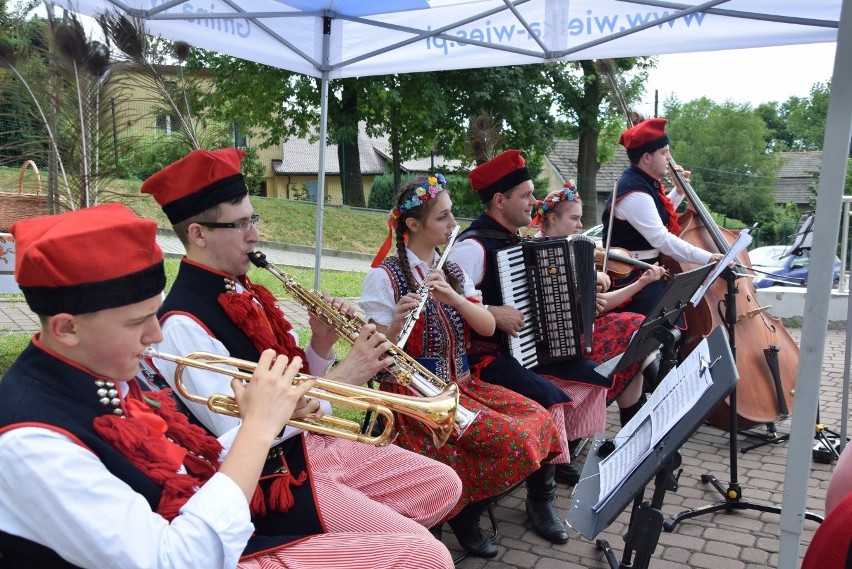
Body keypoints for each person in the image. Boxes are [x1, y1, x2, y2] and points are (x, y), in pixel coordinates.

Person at [0, 203, 456, 569]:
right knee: (420, 556)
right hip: (221, 531)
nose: (156, 335)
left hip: (227, 510)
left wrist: (283, 404)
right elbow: (176, 557)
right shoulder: (31, 443)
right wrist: (263, 425)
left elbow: (195, 457)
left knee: (429, 518)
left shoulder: (95, 372)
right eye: (138, 323)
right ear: (65, 328)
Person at [139, 148, 463, 562]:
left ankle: (367, 542)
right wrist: (344, 378)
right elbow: (237, 435)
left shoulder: (244, 290)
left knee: (443, 483)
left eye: (252, 219)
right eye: (240, 224)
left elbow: (292, 383)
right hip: (277, 478)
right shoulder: (181, 324)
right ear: (198, 234)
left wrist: (321, 345)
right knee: (426, 554)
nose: (254, 234)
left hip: (313, 446)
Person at [361, 174, 563, 557]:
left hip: (463, 385)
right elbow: (374, 358)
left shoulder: (451, 270)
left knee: (535, 422)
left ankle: (467, 511)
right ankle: (445, 523)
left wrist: (456, 298)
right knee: (491, 443)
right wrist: (394, 325)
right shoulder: (383, 277)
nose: (454, 224)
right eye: (443, 217)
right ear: (413, 225)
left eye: (452, 214)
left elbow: (488, 325)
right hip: (412, 398)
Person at [447, 148, 611, 543]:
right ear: (500, 201)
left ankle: (560, 457)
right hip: (484, 357)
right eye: (526, 195)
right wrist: (490, 310)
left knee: (597, 376)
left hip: (526, 349)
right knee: (547, 400)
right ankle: (541, 498)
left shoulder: (516, 241)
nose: (535, 203)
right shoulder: (473, 247)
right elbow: (442, 304)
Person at [531, 181, 667, 426]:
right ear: (551, 218)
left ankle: (633, 434)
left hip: (581, 334)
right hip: (558, 346)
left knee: (634, 343)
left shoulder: (573, 248)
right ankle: (664, 394)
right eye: (574, 218)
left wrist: (641, 283)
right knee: (634, 327)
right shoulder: (535, 253)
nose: (581, 225)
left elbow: (600, 305)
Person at [602, 117, 724, 316]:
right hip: (632, 277)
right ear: (647, 158)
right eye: (664, 152)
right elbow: (660, 238)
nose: (669, 158)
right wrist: (708, 257)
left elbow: (657, 214)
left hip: (646, 270)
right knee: (664, 326)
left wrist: (678, 191)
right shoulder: (634, 192)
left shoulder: (642, 183)